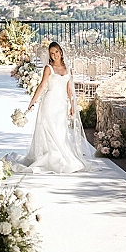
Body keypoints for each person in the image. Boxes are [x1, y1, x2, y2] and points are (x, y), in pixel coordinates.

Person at [9, 41, 93, 174]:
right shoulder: (49, 68)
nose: (54, 55)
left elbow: (69, 89)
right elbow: (42, 86)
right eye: (52, 53)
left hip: (61, 105)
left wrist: (72, 105)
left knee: (61, 130)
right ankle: (51, 157)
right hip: (49, 102)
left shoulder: (68, 69)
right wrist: (32, 101)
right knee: (49, 130)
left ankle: (61, 156)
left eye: (56, 52)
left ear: (61, 52)